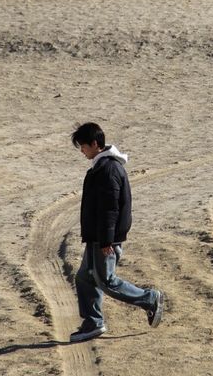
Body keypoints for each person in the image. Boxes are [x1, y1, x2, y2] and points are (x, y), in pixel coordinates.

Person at [69, 122, 165, 343]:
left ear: (95, 144)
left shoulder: (108, 170)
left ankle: (150, 299)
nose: (82, 151)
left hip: (104, 239)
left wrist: (106, 240)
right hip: (97, 237)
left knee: (107, 281)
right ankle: (93, 322)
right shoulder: (102, 166)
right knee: (84, 277)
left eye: (83, 146)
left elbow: (110, 209)